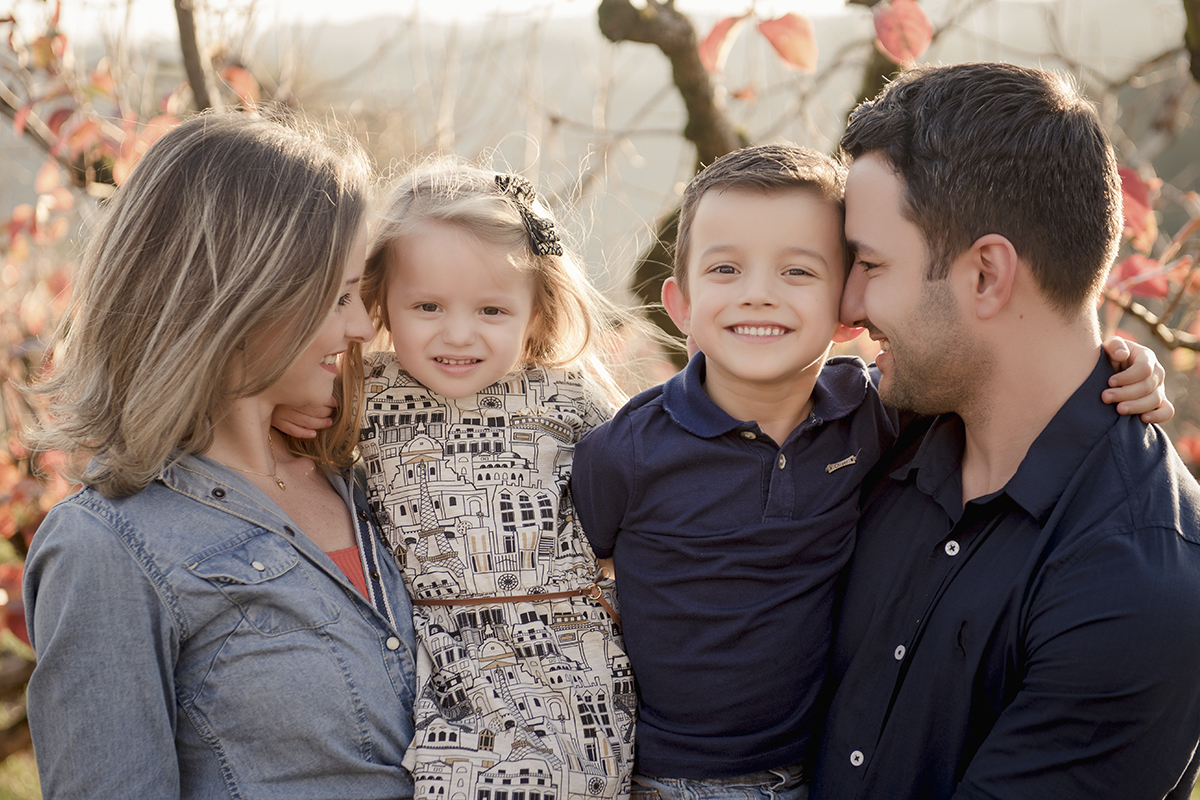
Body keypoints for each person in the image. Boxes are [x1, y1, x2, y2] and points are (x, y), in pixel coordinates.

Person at [568, 142, 1172, 800]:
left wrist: (1118, 365)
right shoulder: (627, 449)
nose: (758, 295)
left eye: (797, 272)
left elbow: (1013, 380)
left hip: (805, 771)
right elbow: (563, 579)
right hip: (671, 775)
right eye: (725, 269)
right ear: (681, 304)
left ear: (843, 308)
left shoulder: (869, 414)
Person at [811, 62, 1200, 799]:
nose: (847, 305)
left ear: (987, 274)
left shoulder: (1139, 584)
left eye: (870, 264)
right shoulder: (871, 433)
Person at [22, 112, 417, 800]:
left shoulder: (380, 477)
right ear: (241, 297)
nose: (362, 325)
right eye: (340, 297)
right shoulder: (108, 549)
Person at [281, 161, 642, 800]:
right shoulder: (367, 392)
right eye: (427, 306)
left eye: (492, 310)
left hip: (565, 652)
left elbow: (643, 483)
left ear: (536, 313)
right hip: (436, 654)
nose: (457, 334)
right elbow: (274, 412)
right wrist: (289, 408)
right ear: (381, 304)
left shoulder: (565, 399)